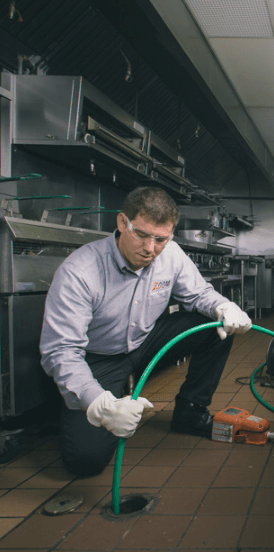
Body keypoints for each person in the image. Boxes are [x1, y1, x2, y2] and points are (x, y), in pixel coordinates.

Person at [40, 186, 252, 476]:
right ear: (121, 223)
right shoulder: (80, 271)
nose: (150, 249)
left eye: (161, 239)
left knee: (215, 328)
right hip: (100, 357)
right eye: (141, 235)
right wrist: (100, 405)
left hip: (146, 342)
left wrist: (225, 307)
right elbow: (60, 350)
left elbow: (198, 293)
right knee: (85, 461)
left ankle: (190, 412)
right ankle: (83, 401)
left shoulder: (171, 255)